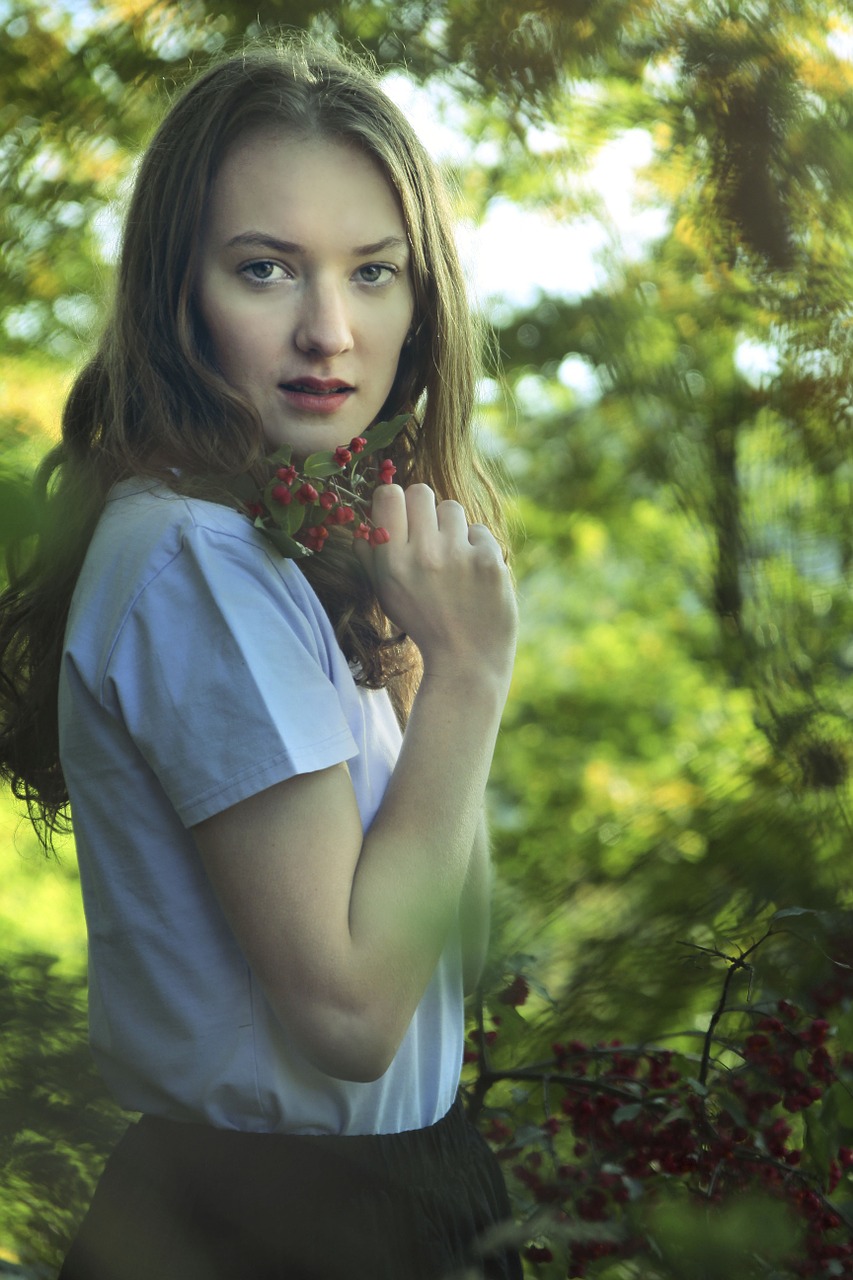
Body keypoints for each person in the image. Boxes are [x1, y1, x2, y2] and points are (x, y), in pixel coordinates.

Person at [0, 37, 520, 1280]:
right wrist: (475, 675)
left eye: (374, 272)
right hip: (284, 1224)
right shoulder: (196, 558)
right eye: (266, 268)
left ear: (422, 301)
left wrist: (407, 658)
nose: (328, 330)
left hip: (389, 1193)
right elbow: (349, 1015)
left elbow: (455, 945)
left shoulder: (278, 556)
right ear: (178, 296)